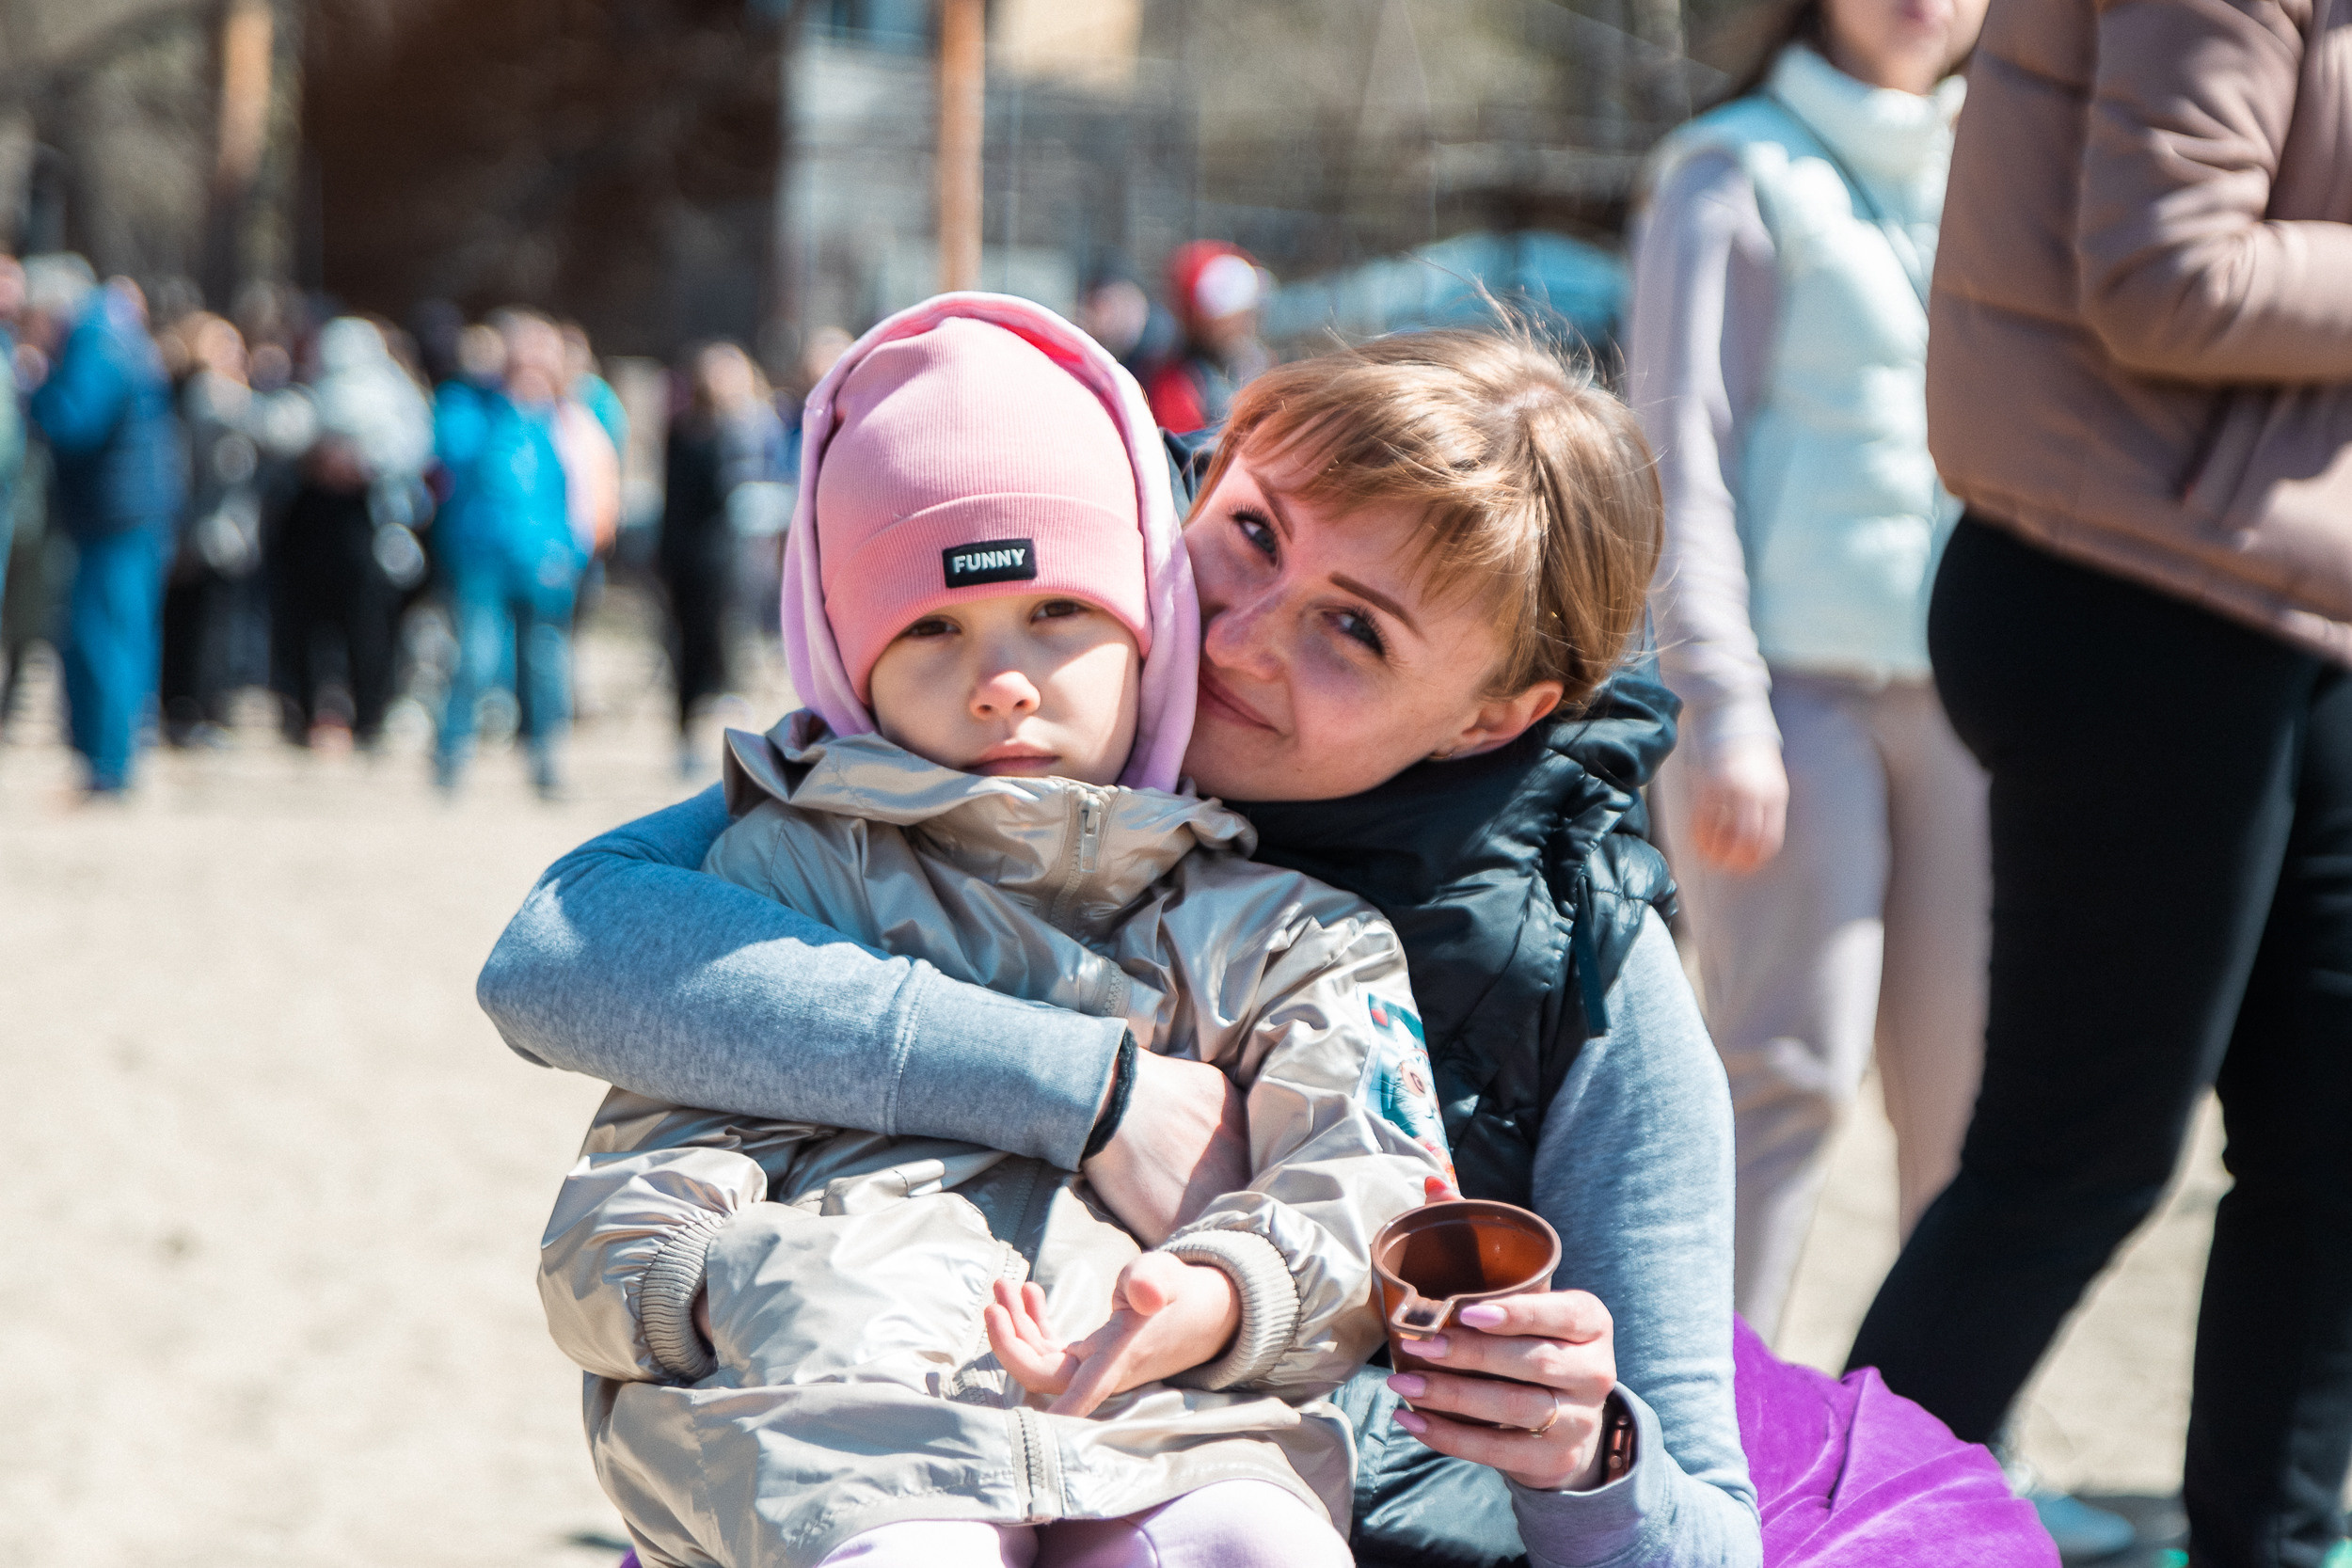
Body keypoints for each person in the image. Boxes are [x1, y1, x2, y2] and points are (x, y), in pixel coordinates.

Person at [485, 318, 2049, 1565]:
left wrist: (1587, 1456)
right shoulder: (1017, 684)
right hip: (896, 1436)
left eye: (1354, 630)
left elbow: (1706, 1533)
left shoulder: (1579, 969)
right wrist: (1088, 1088)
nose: (1237, 636)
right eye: (1249, 534)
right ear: (1206, 469)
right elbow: (568, 945)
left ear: (1496, 714)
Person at [541, 296, 1457, 1568]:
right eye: (930, 627)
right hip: (845, 1429)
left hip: (1177, 1425)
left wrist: (1212, 1296)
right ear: (846, 656)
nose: (1004, 675)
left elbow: (1376, 1178)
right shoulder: (785, 879)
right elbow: (620, 1204)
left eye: (1058, 612)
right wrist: (724, 1289)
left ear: (1150, 617)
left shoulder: (1287, 933)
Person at [1842, 2, 2352, 1565]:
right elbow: (2165, 273)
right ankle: (1830, 1528)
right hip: (2144, 607)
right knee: (2075, 1156)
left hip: (2287, 608)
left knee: (2335, 1148)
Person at [1626, 0, 1991, 1349]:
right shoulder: (1731, 169)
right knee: (1786, 1070)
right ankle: (1710, 1451)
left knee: (1973, 1098)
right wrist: (1722, 707)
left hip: (1977, 701)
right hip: (1789, 700)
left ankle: (1956, 1460)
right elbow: (1680, 455)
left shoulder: (2012, 159)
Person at [20, 260, 183, 797]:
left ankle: (107, 766)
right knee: (121, 634)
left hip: (115, 513)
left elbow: (74, 420)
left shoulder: (96, 339)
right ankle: (110, 760)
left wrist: (34, 384)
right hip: (125, 508)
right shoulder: (116, 330)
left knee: (104, 637)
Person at [432, 309, 582, 797]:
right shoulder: (469, 403)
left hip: (544, 559)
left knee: (545, 666)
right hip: (482, 555)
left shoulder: (563, 414)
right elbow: (455, 458)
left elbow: (574, 489)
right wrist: (509, 411)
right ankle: (451, 754)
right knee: (476, 658)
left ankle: (546, 761)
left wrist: (569, 552)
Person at [275, 317, 432, 749]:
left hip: (368, 517)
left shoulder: (393, 391)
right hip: (314, 516)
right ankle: (307, 709)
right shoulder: (311, 388)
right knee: (306, 621)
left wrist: (362, 461)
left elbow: (412, 446)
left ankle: (371, 714)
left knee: (368, 621)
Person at [1142, 241, 1270, 436]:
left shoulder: (1255, 364)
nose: (1244, 320)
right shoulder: (1176, 384)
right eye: (1231, 312)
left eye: (1247, 309)